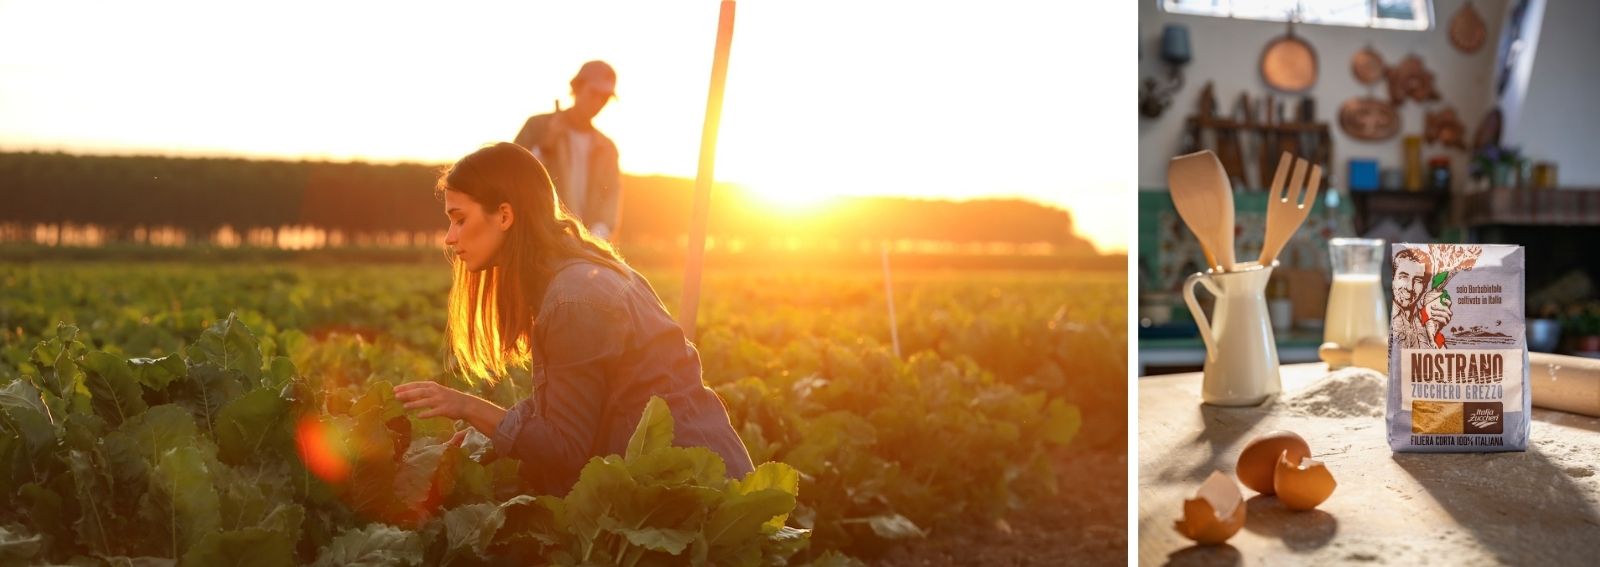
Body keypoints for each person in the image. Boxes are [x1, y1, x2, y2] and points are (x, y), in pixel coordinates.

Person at [394, 142, 753, 496]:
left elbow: (564, 449)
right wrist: (484, 432)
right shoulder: (576, 275)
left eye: (460, 219)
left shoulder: (574, 299)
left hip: (699, 496)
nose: (449, 237)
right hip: (692, 484)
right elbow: (568, 405)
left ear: (504, 215)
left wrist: (467, 406)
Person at [513, 60, 622, 241]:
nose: (598, 102)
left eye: (604, 97)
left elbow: (611, 198)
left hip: (584, 246)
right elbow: (512, 176)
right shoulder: (537, 127)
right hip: (538, 240)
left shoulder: (607, 148)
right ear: (577, 88)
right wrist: (546, 147)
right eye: (593, 93)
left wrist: (594, 239)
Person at [1391, 247, 1450, 350]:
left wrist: (1435, 333)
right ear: (1393, 279)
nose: (1409, 287)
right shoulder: (1383, 320)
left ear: (1425, 287)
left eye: (1418, 280)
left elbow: (1445, 360)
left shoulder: (1426, 319)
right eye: (1404, 276)